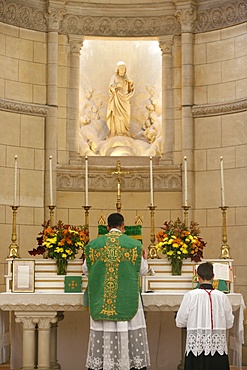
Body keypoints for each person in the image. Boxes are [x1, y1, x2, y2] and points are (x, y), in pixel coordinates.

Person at [82, 212, 150, 370]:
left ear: (107, 227)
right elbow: (142, 271)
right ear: (123, 226)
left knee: (105, 332)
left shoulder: (94, 245)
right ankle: (128, 365)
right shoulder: (134, 245)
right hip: (128, 299)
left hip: (102, 299)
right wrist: (144, 258)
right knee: (127, 332)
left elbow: (86, 270)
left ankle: (105, 365)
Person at [176, 261, 234, 370]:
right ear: (213, 276)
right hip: (217, 346)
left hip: (196, 347)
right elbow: (229, 322)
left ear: (197, 277)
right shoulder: (222, 296)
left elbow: (180, 321)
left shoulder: (190, 296)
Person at [106, 61, 135, 137]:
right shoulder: (114, 77)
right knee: (117, 115)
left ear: (125, 70)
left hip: (125, 99)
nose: (122, 70)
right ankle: (118, 132)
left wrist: (130, 82)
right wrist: (117, 85)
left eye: (123, 68)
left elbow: (131, 88)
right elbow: (110, 87)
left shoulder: (127, 78)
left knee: (126, 114)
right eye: (120, 68)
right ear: (117, 69)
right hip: (117, 98)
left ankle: (125, 131)